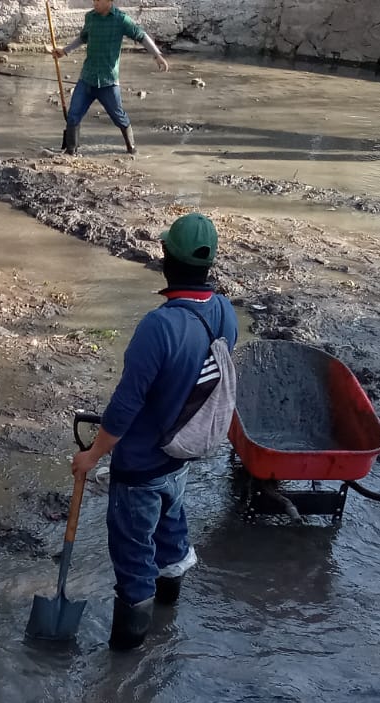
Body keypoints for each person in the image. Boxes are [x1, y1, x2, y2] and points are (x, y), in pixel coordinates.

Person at [71, 214, 238, 652]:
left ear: (166, 258)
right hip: (180, 457)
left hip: (142, 466)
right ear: (209, 264)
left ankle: (125, 662)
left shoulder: (158, 327)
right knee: (170, 533)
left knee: (133, 559)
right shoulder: (224, 313)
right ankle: (168, 617)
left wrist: (92, 457)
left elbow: (125, 407)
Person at [51, 0, 170, 155]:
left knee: (119, 117)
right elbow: (83, 38)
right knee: (73, 115)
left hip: (108, 81)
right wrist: (65, 51)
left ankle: (131, 149)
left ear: (109, 1)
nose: (94, 3)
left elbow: (141, 36)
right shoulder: (90, 17)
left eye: (98, 1)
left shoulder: (121, 19)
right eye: (93, 0)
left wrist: (157, 55)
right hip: (87, 78)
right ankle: (71, 152)